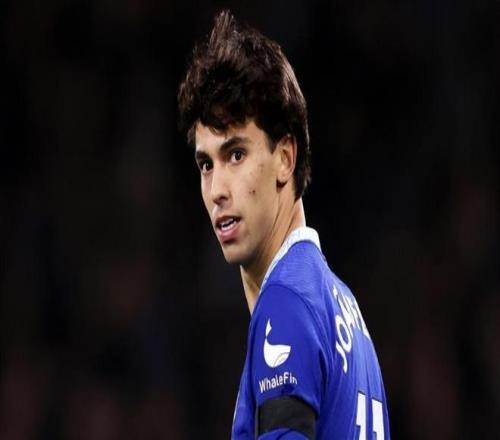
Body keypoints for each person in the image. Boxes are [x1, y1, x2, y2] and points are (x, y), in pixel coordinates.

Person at [178, 10, 390, 440]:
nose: (217, 189)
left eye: (236, 154)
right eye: (206, 164)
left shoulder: (286, 304)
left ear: (285, 159)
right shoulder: (344, 308)